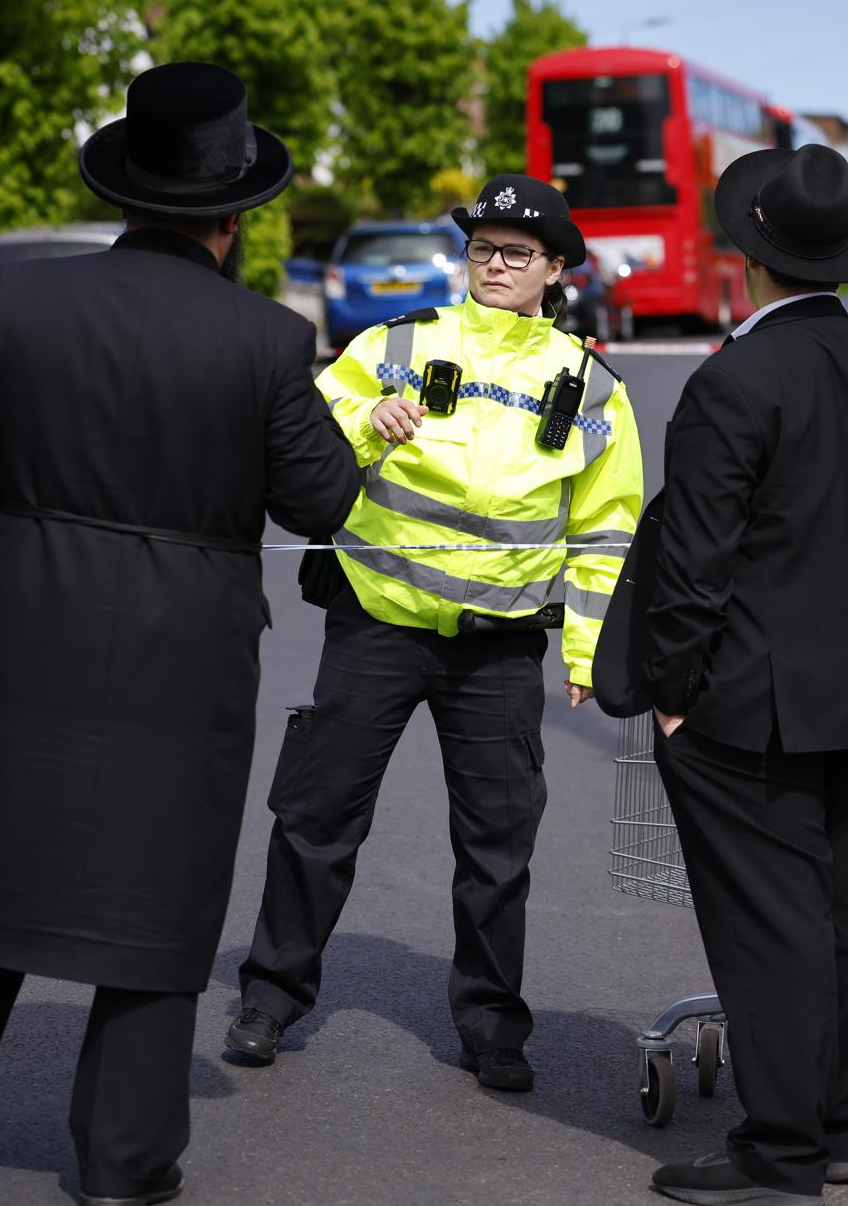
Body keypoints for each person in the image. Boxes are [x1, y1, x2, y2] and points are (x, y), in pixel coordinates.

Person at [0, 63, 359, 1206]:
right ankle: (125, 1160)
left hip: (34, 619)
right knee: (164, 883)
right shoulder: (267, 340)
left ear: (127, 194)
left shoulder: (24, 305)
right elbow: (323, 502)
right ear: (232, 219)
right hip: (188, 645)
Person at [225, 175, 643, 1093]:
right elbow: (301, 441)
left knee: (498, 843)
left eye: (516, 254)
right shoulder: (397, 343)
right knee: (316, 818)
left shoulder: (592, 386)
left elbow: (608, 527)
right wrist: (363, 423)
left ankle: (494, 1025)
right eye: (482, 248)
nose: (494, 265)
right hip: (377, 617)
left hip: (497, 647)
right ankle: (270, 996)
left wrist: (586, 649)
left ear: (555, 269)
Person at [636, 145, 848, 1206]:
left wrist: (673, 687)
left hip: (751, 702)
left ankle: (779, 1148)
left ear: (750, 256)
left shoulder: (735, 378)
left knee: (770, 922)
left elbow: (694, 563)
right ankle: (837, 1128)